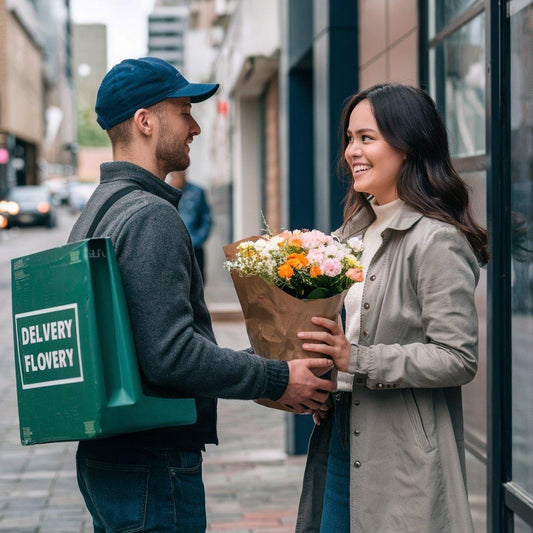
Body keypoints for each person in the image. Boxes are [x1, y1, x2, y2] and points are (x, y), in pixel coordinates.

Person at [68, 57, 336, 533]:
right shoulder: (151, 216)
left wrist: (262, 357)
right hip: (153, 462)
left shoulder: (95, 212)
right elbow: (170, 355)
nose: (195, 127)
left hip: (111, 457)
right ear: (145, 121)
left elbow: (143, 341)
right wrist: (276, 377)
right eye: (184, 111)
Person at [296, 83, 489, 532]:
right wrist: (327, 377)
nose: (351, 151)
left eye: (367, 138)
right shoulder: (350, 234)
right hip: (339, 427)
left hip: (402, 448)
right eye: (349, 138)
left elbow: (457, 358)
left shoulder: (436, 239)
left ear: (408, 145)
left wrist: (354, 359)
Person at [167, 171, 211, 280]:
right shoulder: (167, 192)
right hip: (175, 247)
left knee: (199, 280)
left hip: (194, 246)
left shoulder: (197, 192)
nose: (175, 180)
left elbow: (206, 218)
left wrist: (198, 239)